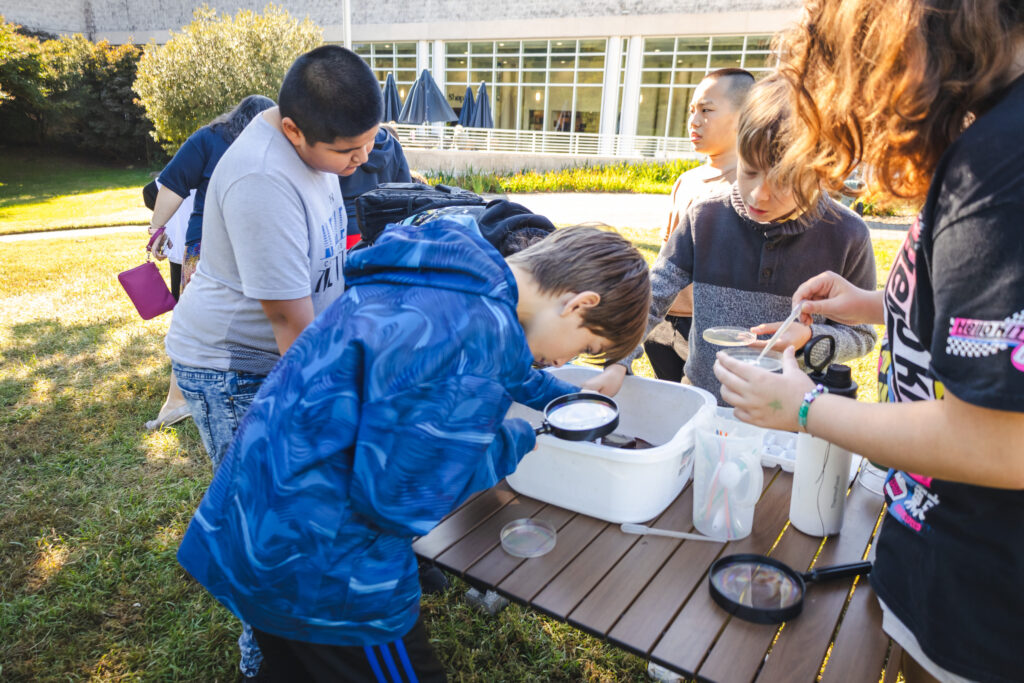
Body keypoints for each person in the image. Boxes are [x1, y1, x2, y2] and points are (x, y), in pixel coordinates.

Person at [175, 223, 651, 681]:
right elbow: (402, 497)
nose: (568, 362)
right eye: (586, 346)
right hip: (327, 570)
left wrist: (564, 399)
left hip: (250, 524)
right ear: (579, 303)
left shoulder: (450, 276)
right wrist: (520, 438)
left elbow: (479, 364)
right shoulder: (483, 337)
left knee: (291, 667)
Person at [713, 2, 1024, 681]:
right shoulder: (995, 141)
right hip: (941, 575)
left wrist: (804, 409)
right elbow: (990, 331)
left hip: (988, 623)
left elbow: (1006, 439)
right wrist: (879, 304)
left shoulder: (1004, 168)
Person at [165, 45, 382, 678]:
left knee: (304, 509)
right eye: (349, 152)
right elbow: (290, 323)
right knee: (267, 522)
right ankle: (264, 662)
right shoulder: (264, 177)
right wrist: (339, 409)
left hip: (289, 344)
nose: (362, 160)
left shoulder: (314, 142)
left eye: (369, 143)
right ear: (293, 130)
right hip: (234, 366)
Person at [584, 74, 877, 403]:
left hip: (788, 416)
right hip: (702, 403)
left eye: (782, 181)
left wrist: (809, 337)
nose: (759, 194)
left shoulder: (847, 234)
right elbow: (651, 297)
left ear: (818, 170)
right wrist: (618, 361)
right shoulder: (704, 216)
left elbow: (862, 333)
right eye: (749, 171)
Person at [143, 95, 276, 431]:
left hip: (207, 245)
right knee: (265, 317)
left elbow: (172, 184)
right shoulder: (277, 141)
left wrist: (156, 228)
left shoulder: (208, 137)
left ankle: (176, 401)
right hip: (260, 242)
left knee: (195, 320)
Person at [644, 68, 755, 383]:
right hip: (663, 323)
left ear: (745, 115)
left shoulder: (754, 189)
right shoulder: (686, 180)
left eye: (707, 110)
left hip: (710, 331)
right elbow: (667, 255)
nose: (694, 121)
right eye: (692, 111)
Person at [338, 123, 411, 248]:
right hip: (384, 231)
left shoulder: (341, 139)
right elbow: (406, 193)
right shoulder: (394, 145)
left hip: (344, 229)